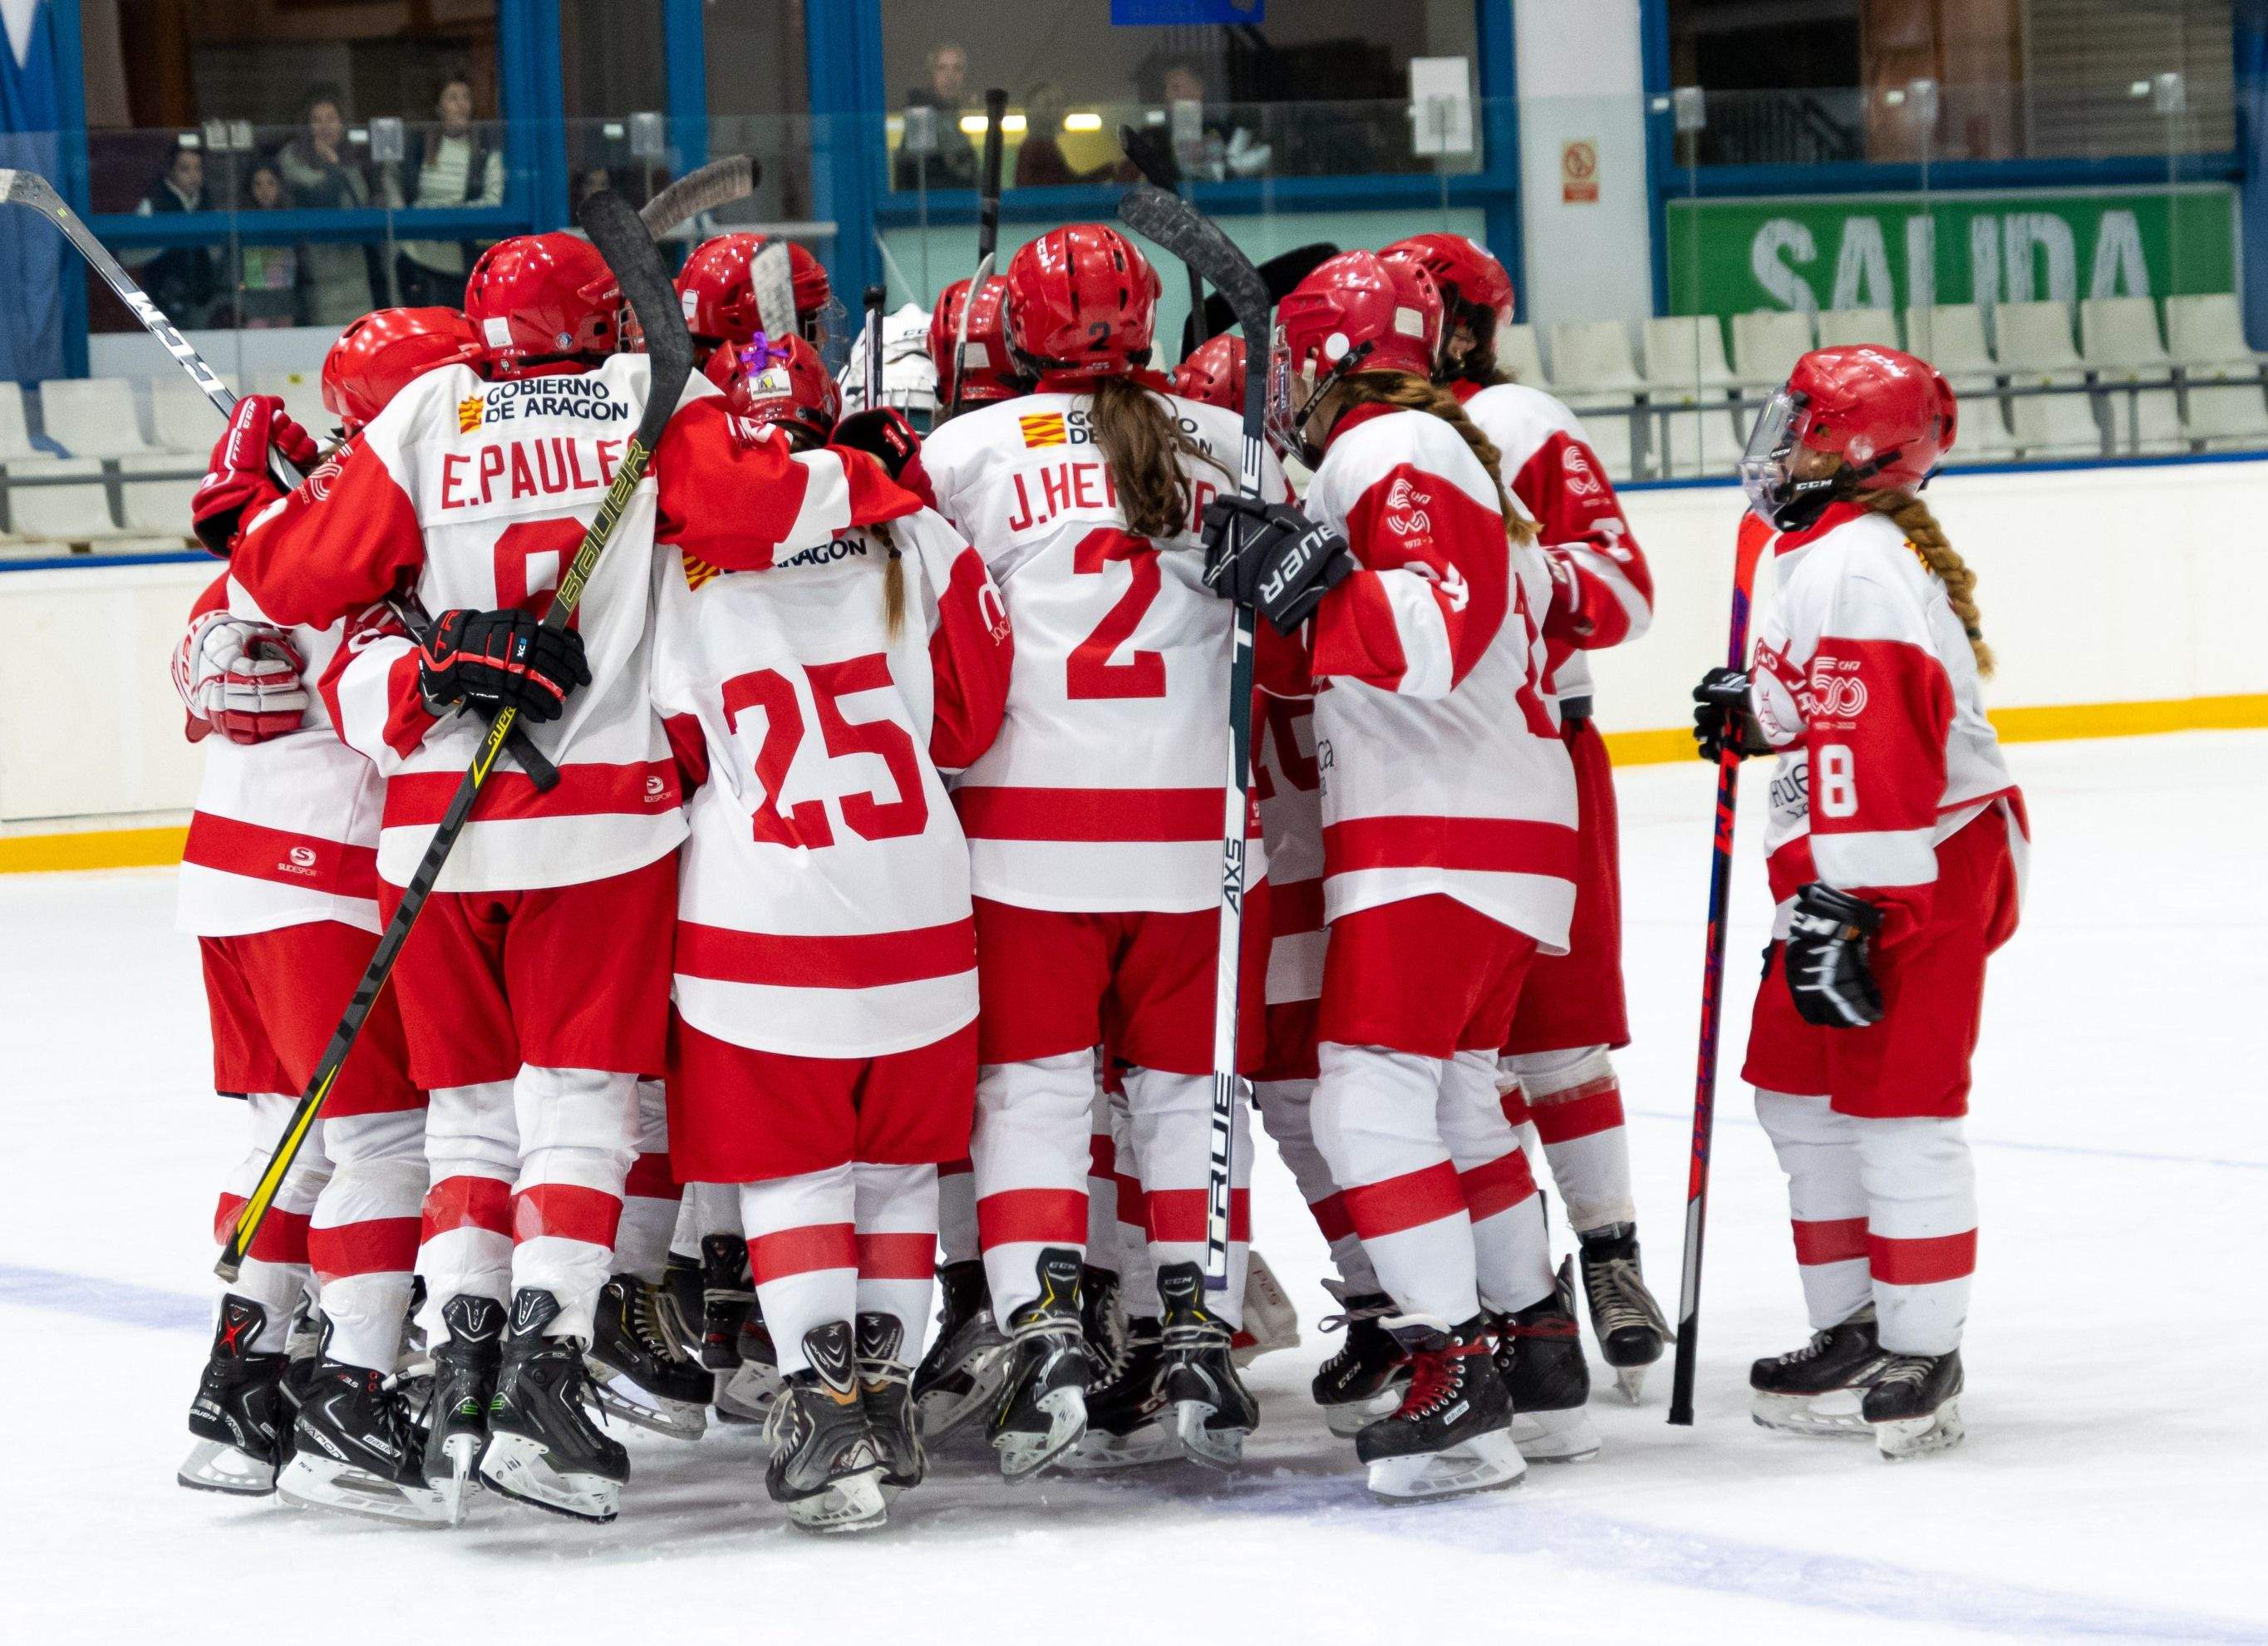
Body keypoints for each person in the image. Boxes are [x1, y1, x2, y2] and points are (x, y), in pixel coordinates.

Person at [225, 230, 922, 1524]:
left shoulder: (433, 405)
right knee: (581, 1106)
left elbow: (291, 577)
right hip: (597, 818)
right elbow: (757, 511)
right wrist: (868, 477)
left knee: (472, 1123)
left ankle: (463, 1385)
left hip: (435, 824)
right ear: (610, 318)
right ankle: (545, 1367)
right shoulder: (647, 392)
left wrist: (262, 512)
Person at [1205, 249, 1592, 1503]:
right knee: (1460, 1104)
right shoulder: (1440, 450)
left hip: (1440, 826)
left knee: (1363, 1103)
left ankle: (1453, 1373)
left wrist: (1308, 587)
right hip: (1501, 823)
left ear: (1323, 361)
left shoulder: (1388, 452)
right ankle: (1535, 1348)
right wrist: (1285, 599)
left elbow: (1425, 636)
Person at [922, 223, 1292, 1481]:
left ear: (1016, 333)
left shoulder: (964, 452)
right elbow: (1297, 609)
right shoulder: (1232, 446)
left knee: (1031, 1093)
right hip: (1197, 836)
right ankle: (1195, 1326)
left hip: (1025, 835)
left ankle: (1048, 1337)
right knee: (1191, 1097)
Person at [651, 331, 1011, 1530]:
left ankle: (822, 1402)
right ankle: (888, 1394)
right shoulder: (915, 527)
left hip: (763, 912)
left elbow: (666, 750)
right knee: (897, 1170)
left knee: (797, 1173)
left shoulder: (669, 556)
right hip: (920, 908)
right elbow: (968, 715)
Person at [175, 307, 482, 1524]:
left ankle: (244, 1395)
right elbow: (296, 686)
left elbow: (215, 674)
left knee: (287, 1140)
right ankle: (355, 1393)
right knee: (384, 1144)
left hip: (229, 873)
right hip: (320, 878)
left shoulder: (293, 522)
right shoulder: (375, 530)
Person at [1692, 344, 2024, 1461]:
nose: (1778, 441)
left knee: (1899, 1111)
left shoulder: (1860, 563)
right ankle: (1850, 1329)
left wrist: (1857, 903)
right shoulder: (1826, 554)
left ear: (1859, 446)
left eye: (1804, 424)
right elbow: (1826, 709)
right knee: (1797, 1097)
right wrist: (1761, 715)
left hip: (1909, 869)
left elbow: (1885, 734)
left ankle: (1922, 1352)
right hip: (1847, 875)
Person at [1381, 232, 1671, 1403]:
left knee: (1553, 1027)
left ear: (1457, 323)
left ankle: (1609, 1256)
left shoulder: (1518, 419)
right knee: (1455, 1056)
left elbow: (1626, 588)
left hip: (1535, 752)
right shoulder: (1364, 441)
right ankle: (1517, 1292)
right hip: (1407, 770)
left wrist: (1515, 577)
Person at [388, 75, 504, 308]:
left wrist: (453, 215)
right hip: (420, 259)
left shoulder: (483, 151)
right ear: (439, 108)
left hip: (464, 263)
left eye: (466, 98)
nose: (461, 105)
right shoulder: (419, 147)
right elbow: (396, 185)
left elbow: (492, 201)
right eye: (453, 98)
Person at [276, 87, 375, 324]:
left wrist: (338, 164)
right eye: (317, 120)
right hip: (319, 272)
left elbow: (359, 203)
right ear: (306, 126)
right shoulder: (293, 157)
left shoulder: (353, 158)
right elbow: (321, 196)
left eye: (331, 118)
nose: (325, 126)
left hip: (356, 273)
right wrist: (331, 165)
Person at [133, 141, 219, 328]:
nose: (193, 176)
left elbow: (217, 250)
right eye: (185, 169)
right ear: (171, 171)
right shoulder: (152, 205)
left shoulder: (208, 206)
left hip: (201, 302)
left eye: (198, 169)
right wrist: (163, 246)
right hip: (161, 302)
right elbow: (128, 255)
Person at [895, 40, 978, 190]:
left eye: (957, 69)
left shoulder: (955, 119)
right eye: (942, 68)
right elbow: (920, 177)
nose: (950, 76)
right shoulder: (921, 118)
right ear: (932, 74)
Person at [229, 163, 299, 328]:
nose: (264, 190)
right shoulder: (242, 221)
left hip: (284, 296)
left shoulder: (292, 218)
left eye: (271, 183)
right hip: (253, 297)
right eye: (258, 184)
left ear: (280, 186)